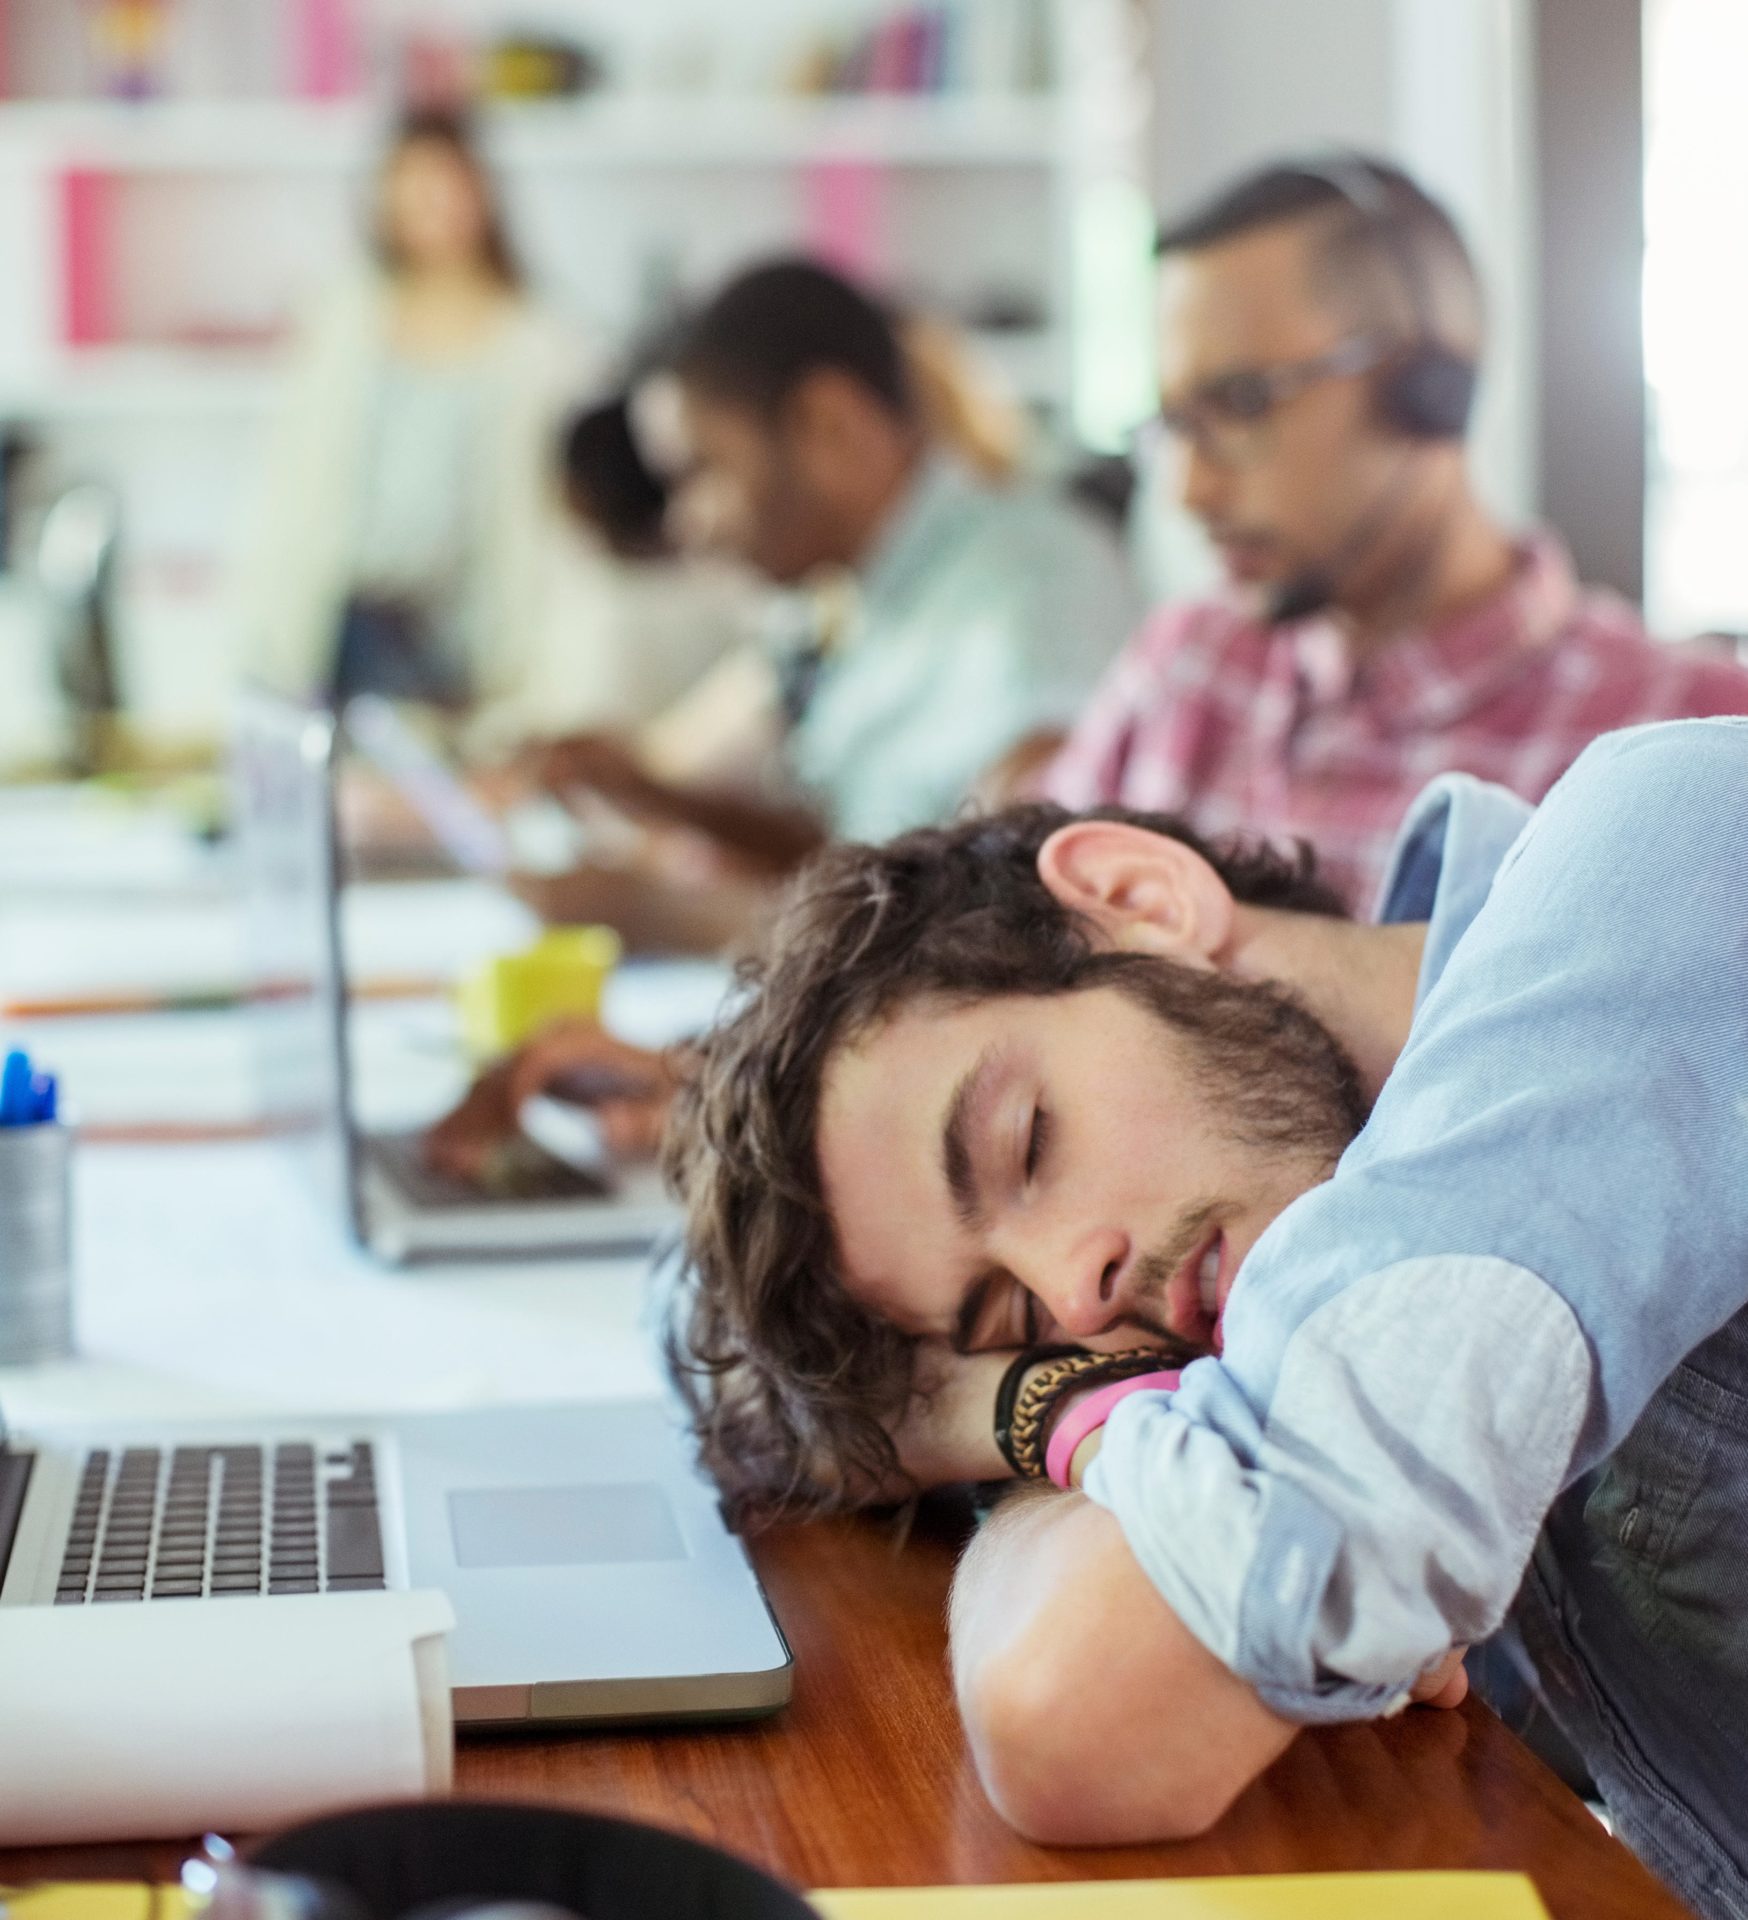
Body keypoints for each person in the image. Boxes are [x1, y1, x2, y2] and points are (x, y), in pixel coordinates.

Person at [661, 718, 1748, 1918]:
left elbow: (1074, 1715)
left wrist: (1018, 1406)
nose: (1078, 1295)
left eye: (1027, 1144)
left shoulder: (1667, 861)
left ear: (1139, 897)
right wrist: (1067, 1417)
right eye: (1014, 1318)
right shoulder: (1321, 1244)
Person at [1045, 153, 1748, 909]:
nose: (1190, 490)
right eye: (1178, 425)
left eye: (1243, 404)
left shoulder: (1690, 728)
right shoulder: (1184, 662)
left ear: (1425, 388)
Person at [504, 256, 1136, 945]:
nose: (690, 521)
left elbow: (1005, 921)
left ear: (827, 424)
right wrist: (658, 798)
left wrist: (660, 913)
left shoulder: (1030, 582)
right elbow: (867, 864)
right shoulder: (870, 594)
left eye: (704, 470)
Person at [240, 106, 593, 745]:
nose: (434, 206)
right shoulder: (341, 320)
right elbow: (292, 480)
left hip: (463, 636)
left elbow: (552, 521)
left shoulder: (539, 342)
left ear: (482, 194)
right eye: (413, 187)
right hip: (345, 620)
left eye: (448, 185)